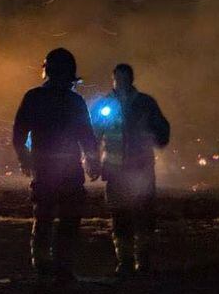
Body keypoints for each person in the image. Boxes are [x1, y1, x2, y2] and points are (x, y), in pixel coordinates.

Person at [13, 48, 100, 280]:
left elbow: (19, 133)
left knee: (44, 217)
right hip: (69, 169)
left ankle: (42, 264)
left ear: (47, 71)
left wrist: (24, 158)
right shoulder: (75, 101)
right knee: (68, 219)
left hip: (45, 168)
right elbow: (86, 136)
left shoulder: (33, 97)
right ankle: (63, 266)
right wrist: (93, 162)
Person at [91, 63, 170, 275]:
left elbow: (162, 130)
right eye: (117, 78)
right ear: (113, 80)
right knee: (120, 217)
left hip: (141, 169)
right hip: (116, 171)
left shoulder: (145, 103)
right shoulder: (106, 105)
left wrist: (157, 135)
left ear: (131, 79)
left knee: (144, 216)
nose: (120, 82)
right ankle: (125, 261)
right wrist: (93, 162)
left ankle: (142, 260)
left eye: (123, 78)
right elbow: (94, 136)